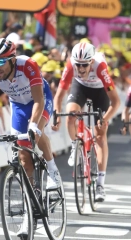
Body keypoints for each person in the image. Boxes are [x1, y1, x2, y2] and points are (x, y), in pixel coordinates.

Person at [0, 38, 62, 236]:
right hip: (19, 107)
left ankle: (53, 170)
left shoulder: (28, 65)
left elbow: (39, 100)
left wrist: (33, 127)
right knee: (22, 154)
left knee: (36, 134)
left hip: (40, 100)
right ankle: (30, 208)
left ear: (12, 60)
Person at [52, 41, 120, 202]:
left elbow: (116, 102)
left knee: (100, 135)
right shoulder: (70, 66)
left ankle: (100, 185)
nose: (81, 69)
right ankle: (75, 144)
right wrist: (56, 116)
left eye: (84, 65)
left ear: (91, 62)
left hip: (100, 91)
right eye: (78, 65)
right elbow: (59, 96)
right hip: (80, 87)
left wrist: (104, 119)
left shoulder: (100, 67)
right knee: (70, 115)